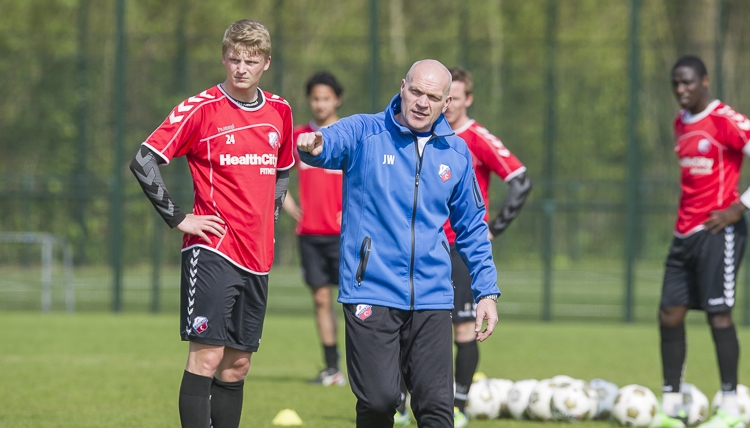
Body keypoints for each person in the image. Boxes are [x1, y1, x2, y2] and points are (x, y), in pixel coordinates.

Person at [297, 59, 501, 428]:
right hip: (371, 290)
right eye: (416, 92)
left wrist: (487, 290)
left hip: (433, 296)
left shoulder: (455, 154)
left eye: (434, 97)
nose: (422, 102)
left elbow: (471, 225)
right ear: (402, 86)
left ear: (447, 104)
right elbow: (330, 143)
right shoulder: (366, 131)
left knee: (438, 410)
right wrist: (314, 145)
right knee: (380, 401)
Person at [129, 19, 294, 428]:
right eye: (234, 59)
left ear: (266, 64)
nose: (241, 68)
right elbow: (143, 160)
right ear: (224, 58)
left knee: (237, 366)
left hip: (258, 257)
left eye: (250, 61)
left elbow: (284, 171)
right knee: (207, 356)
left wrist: (270, 218)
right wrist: (179, 218)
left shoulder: (281, 111)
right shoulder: (201, 109)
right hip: (214, 251)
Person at [394, 67, 532, 428]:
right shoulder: (414, 133)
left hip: (459, 250)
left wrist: (493, 229)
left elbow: (520, 180)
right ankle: (404, 400)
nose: (448, 103)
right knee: (408, 324)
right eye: (445, 96)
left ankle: (459, 402)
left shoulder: (476, 137)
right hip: (419, 246)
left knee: (463, 328)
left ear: (466, 99)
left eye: (454, 97)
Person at [652, 55, 750, 428]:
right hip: (684, 234)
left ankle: (730, 407)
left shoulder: (726, 119)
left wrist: (740, 207)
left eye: (688, 82)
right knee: (669, 314)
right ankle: (671, 406)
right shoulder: (680, 123)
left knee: (718, 315)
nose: (681, 89)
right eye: (676, 83)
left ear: (705, 81)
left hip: (718, 232)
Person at [282, 71, 346, 386]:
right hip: (310, 234)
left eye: (326, 98)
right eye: (315, 99)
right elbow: (276, 172)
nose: (320, 104)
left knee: (355, 302)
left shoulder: (348, 134)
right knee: (321, 299)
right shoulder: (299, 136)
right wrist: (288, 203)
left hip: (346, 235)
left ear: (337, 100)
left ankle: (366, 368)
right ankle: (332, 369)